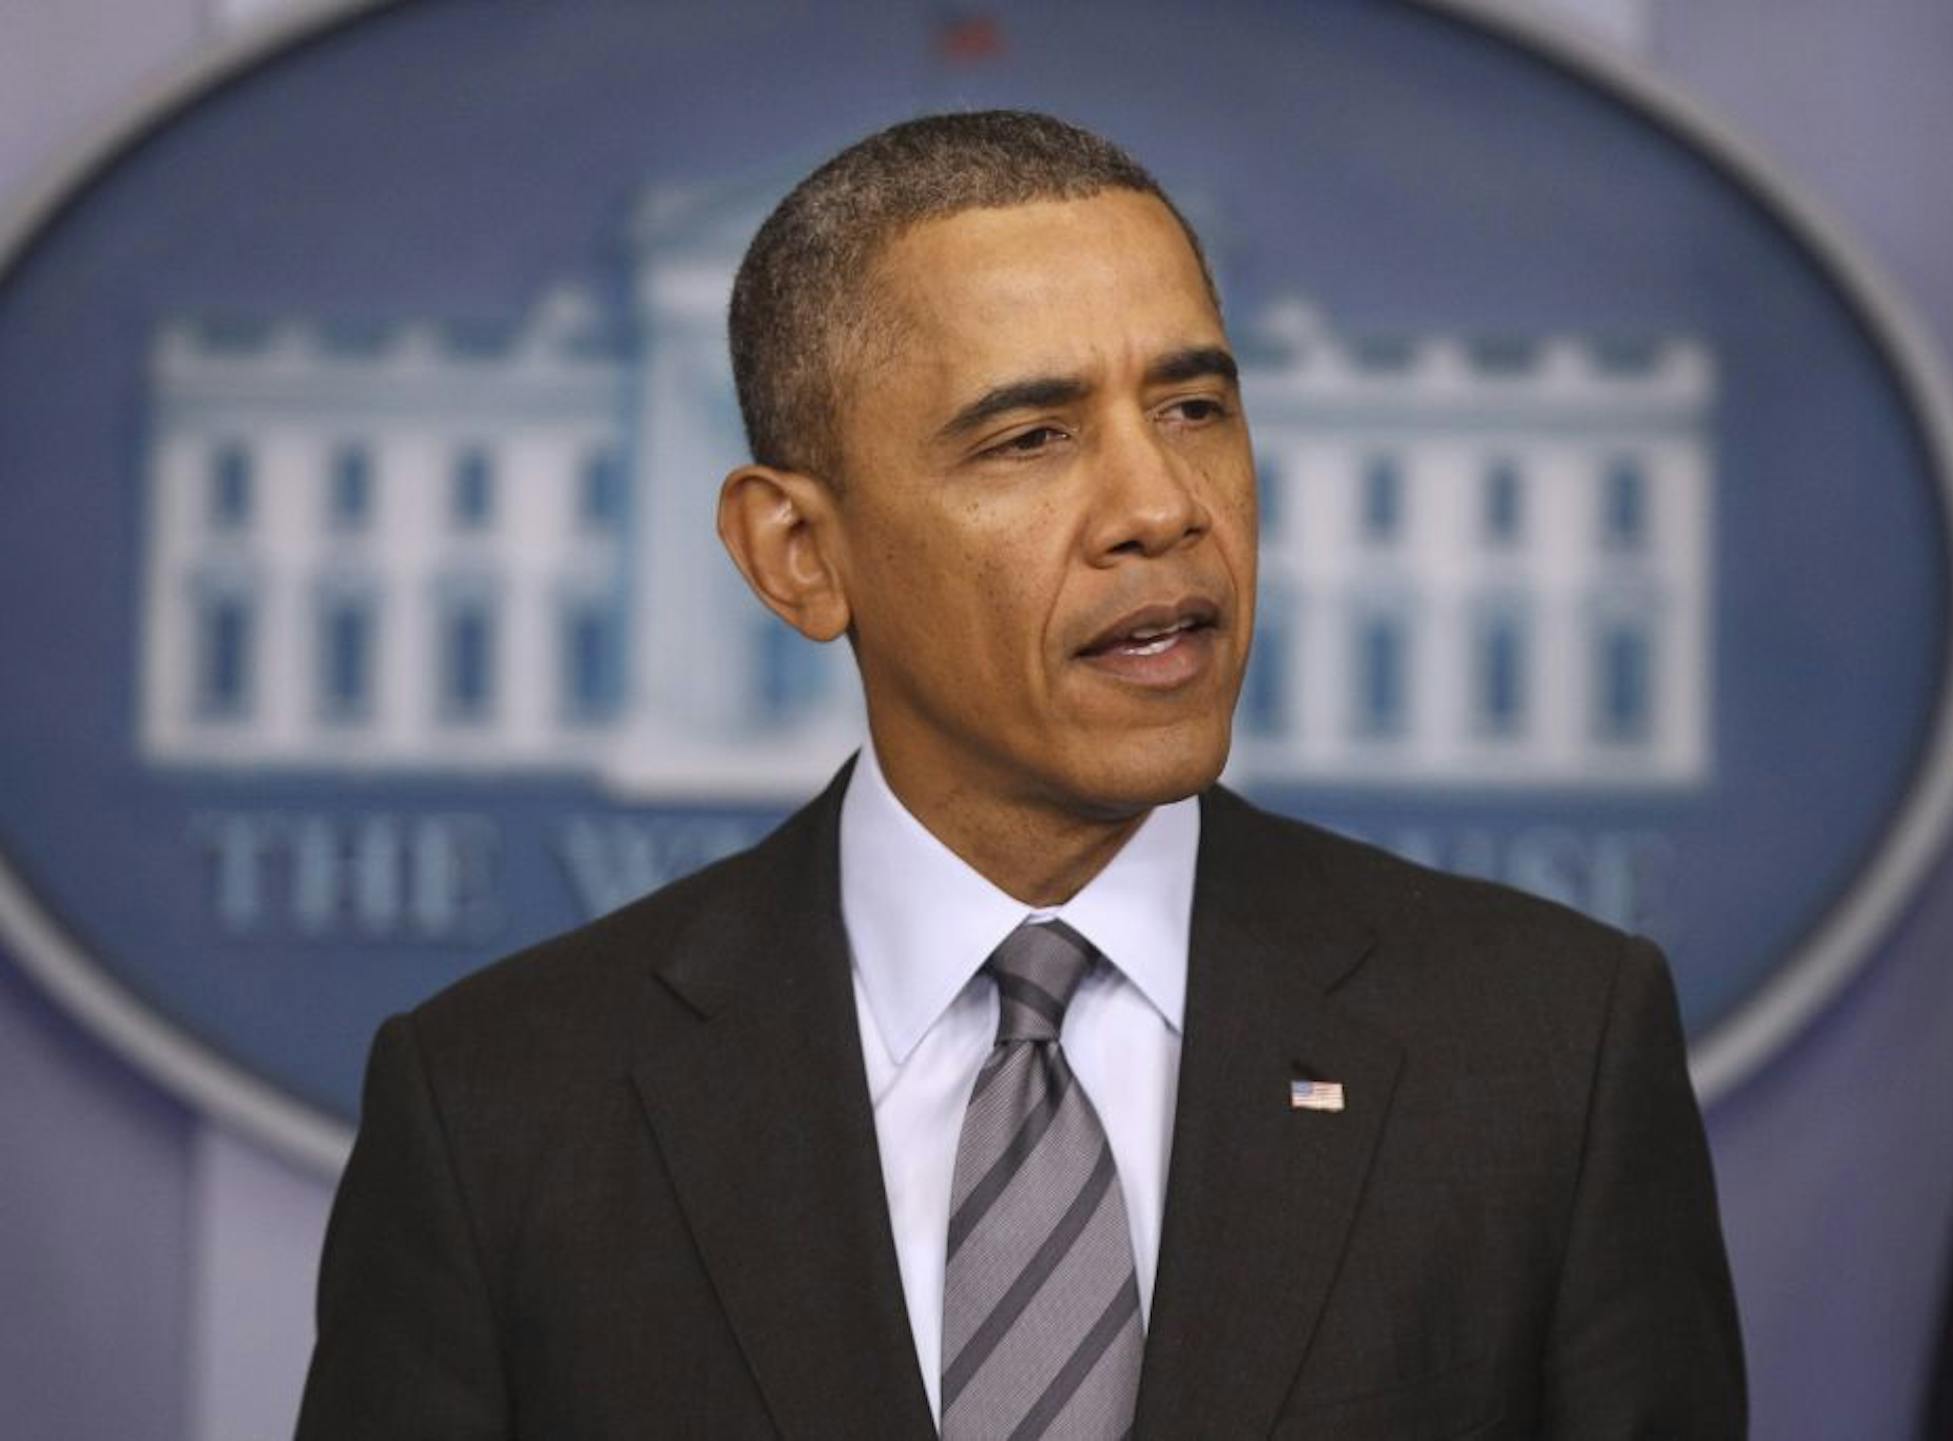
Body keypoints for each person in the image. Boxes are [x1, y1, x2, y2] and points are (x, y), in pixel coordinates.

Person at [297, 110, 1745, 1440]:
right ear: (798, 554)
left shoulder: (1551, 1058)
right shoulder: (500, 1112)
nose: (1160, 505)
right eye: (1031, 436)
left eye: (1194, 408)